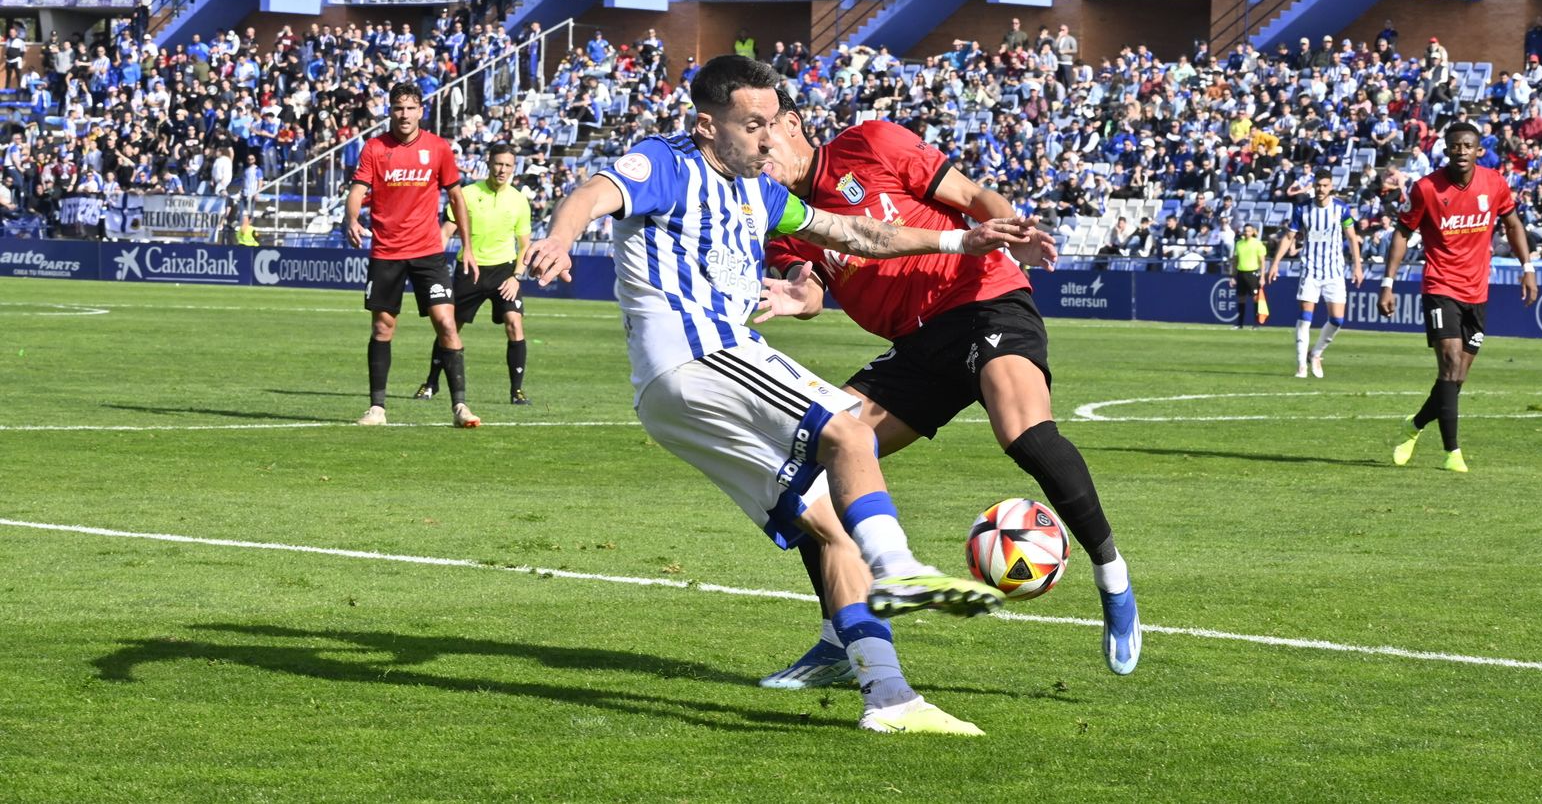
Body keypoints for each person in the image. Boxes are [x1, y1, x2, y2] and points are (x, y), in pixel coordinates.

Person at [526, 55, 1027, 736]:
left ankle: (889, 698)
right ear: (708, 125)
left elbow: (856, 233)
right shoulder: (668, 162)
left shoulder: (761, 193)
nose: (771, 139)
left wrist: (960, 238)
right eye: (753, 125)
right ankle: (900, 568)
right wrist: (560, 238)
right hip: (699, 353)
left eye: (774, 124)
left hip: (674, 396)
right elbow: (594, 191)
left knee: (832, 526)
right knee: (850, 429)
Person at [755, 87, 1142, 687]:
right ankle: (840, 639)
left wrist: (1012, 230)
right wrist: (793, 298)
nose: (758, 152)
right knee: (812, 466)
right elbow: (808, 290)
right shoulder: (781, 218)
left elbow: (972, 196)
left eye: (764, 136)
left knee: (1024, 434)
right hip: (915, 348)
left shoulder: (870, 143)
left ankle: (1112, 577)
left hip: (982, 297)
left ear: (793, 124)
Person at [1380, 122, 1538, 472]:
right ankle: (1452, 453)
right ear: (1446, 150)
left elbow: (1513, 224)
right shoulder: (1426, 188)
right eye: (1455, 146)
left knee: (1456, 379)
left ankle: (1414, 426)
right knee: (1450, 364)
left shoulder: (1494, 183)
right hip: (1440, 286)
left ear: (1479, 150)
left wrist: (1527, 267)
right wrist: (1387, 283)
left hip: (1477, 290)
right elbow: (1402, 233)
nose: (1461, 151)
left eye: (1468, 145)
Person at [344, 82, 481, 429]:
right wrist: (352, 219)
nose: (404, 115)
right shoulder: (375, 148)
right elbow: (357, 190)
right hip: (387, 251)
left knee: (447, 323)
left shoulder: (438, 148)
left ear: (421, 111)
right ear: (390, 111)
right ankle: (377, 409)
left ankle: (460, 407)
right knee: (382, 326)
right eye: (398, 108)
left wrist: (467, 247)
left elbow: (457, 199)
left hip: (428, 252)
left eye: (410, 108)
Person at [414, 143, 534, 405]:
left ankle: (517, 391)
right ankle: (431, 383)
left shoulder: (519, 200)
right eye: (498, 163)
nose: (502, 170)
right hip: (470, 269)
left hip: (504, 272)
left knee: (515, 324)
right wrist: (433, 267)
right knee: (449, 327)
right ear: (489, 164)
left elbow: (525, 245)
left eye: (508, 165)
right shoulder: (467, 194)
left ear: (514, 168)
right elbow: (445, 233)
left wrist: (516, 277)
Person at [1266, 169, 1364, 377]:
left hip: (1334, 271)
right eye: (1318, 185)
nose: (1321, 189)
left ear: (1331, 187)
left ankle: (1316, 353)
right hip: (1310, 270)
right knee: (1305, 317)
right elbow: (1289, 237)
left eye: (1325, 185)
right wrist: (1275, 263)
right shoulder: (1302, 209)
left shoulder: (1341, 209)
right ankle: (1301, 365)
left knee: (1337, 320)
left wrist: (1357, 266)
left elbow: (1352, 237)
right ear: (1314, 186)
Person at [1233, 221, 1267, 328]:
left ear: (1253, 232)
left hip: (1252, 273)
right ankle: (1239, 324)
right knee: (1241, 298)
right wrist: (1233, 276)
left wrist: (1262, 277)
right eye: (1245, 231)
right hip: (1241, 273)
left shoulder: (1257, 243)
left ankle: (1256, 324)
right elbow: (1235, 260)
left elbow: (1262, 261)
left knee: (1255, 298)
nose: (1246, 233)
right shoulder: (1239, 244)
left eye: (1248, 231)